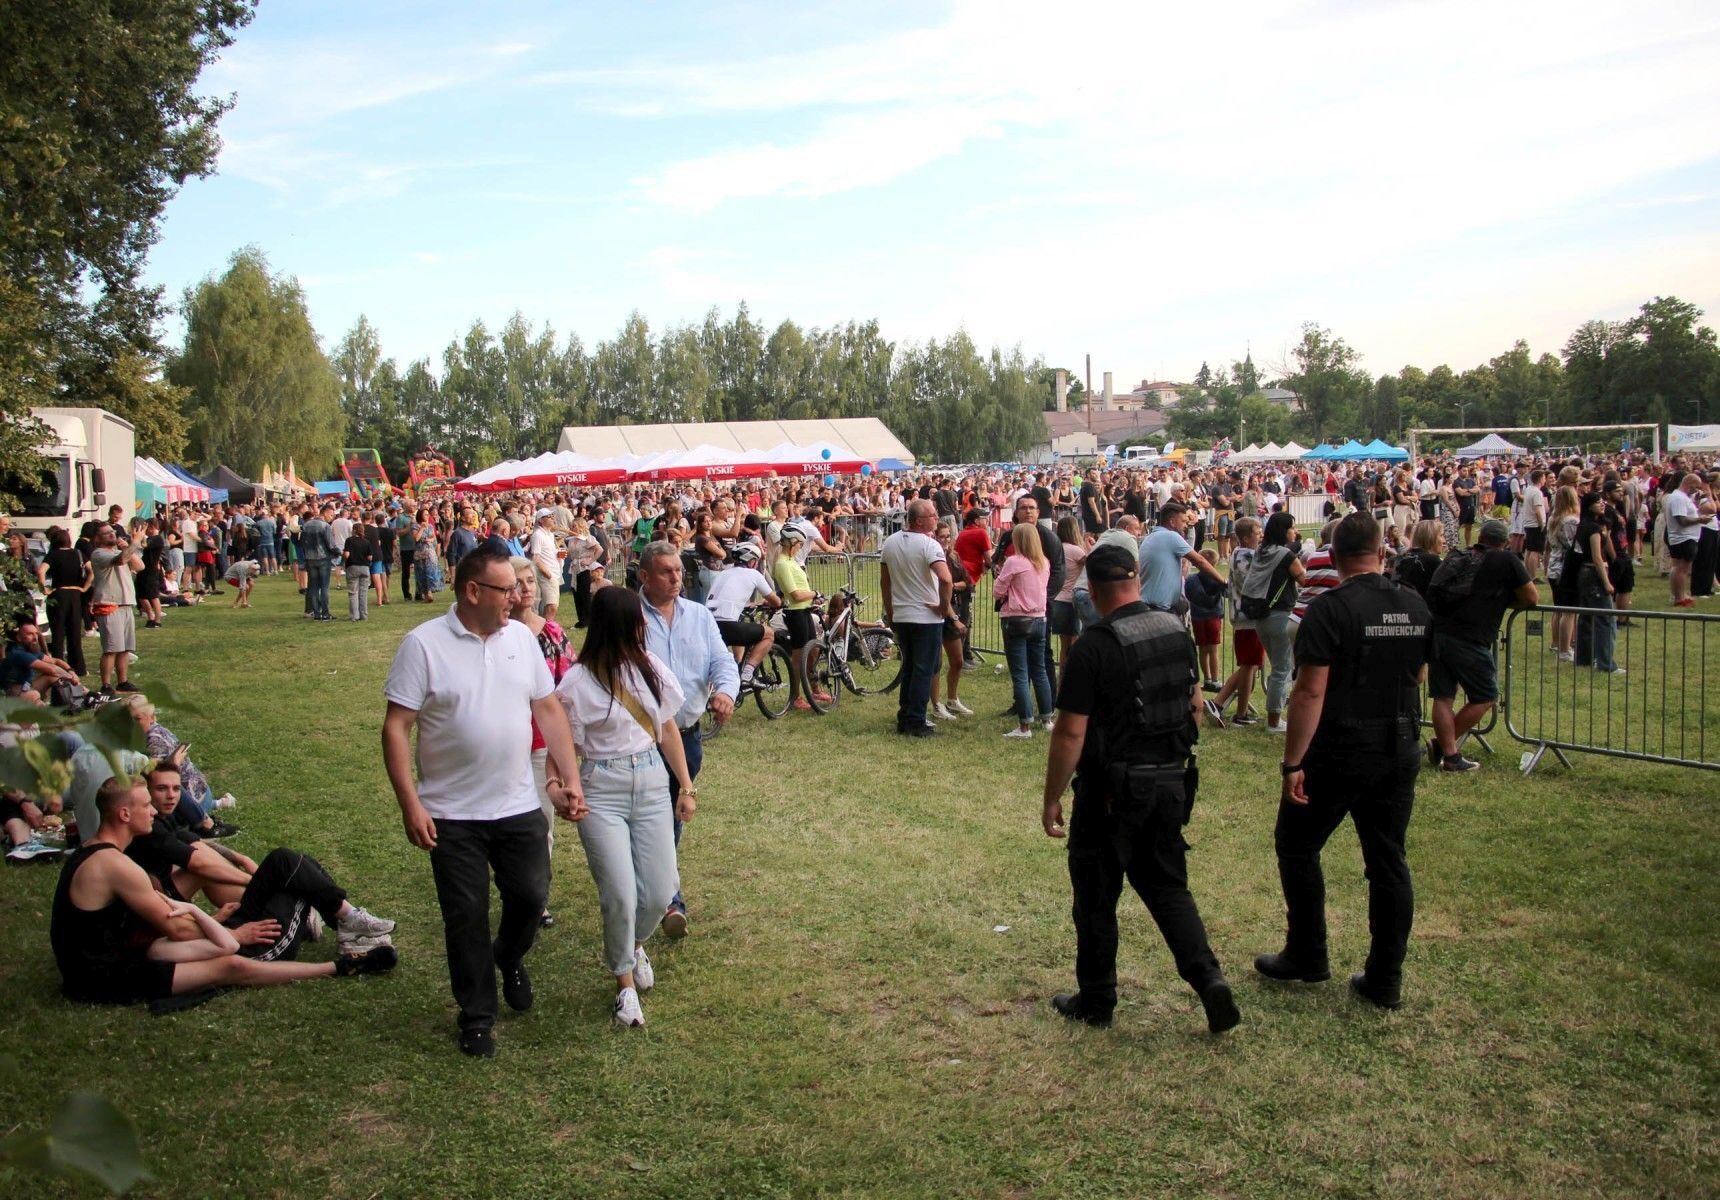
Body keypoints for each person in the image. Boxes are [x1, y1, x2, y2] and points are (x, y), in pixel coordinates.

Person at [382, 547, 584, 1059]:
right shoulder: (423, 645)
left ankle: (509, 955)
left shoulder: (521, 639)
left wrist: (569, 777)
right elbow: (397, 728)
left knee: (532, 896)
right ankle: (476, 1016)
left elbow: (548, 709)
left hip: (518, 803)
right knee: (465, 915)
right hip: (451, 813)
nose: (517, 597)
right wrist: (411, 804)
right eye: (506, 590)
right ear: (473, 591)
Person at [1040, 544, 1240, 1035]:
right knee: (1169, 888)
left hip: (1110, 791)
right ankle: (1208, 978)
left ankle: (1097, 999)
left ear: (1093, 591)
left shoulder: (1093, 646)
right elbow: (1194, 704)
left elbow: (1070, 733)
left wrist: (1052, 797)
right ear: (1136, 582)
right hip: (1169, 781)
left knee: (1095, 896)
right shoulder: (1175, 629)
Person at [1257, 511, 1429, 1010]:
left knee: (1297, 845)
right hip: (1399, 743)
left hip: (1340, 746)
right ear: (1382, 550)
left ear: (1333, 556)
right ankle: (1385, 978)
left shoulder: (1330, 609)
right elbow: (1420, 674)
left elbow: (1310, 690)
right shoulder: (1414, 603)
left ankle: (1307, 952)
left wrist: (1293, 763)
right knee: (1388, 860)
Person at [51, 776, 396, 1008]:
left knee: (284, 862)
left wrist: (216, 917)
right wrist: (233, 933)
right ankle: (340, 964)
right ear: (124, 814)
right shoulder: (114, 864)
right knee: (231, 963)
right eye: (147, 805)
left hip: (154, 948)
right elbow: (175, 927)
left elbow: (167, 909)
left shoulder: (98, 851)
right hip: (105, 978)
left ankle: (345, 919)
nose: (155, 810)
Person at [549, 586, 698, 1028]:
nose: (644, 625)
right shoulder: (576, 683)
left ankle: (633, 945)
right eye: (637, 618)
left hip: (651, 782)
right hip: (602, 789)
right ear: (621, 624)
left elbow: (667, 730)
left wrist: (686, 787)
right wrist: (558, 785)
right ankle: (624, 985)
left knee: (658, 892)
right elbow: (562, 747)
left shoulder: (649, 668)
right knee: (619, 893)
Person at [638, 541, 738, 938]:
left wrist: (726, 691)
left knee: (673, 818)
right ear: (644, 576)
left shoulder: (698, 615)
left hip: (687, 738)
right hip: (642, 743)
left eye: (678, 570)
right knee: (652, 822)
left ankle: (661, 893)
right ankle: (668, 899)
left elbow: (721, 661)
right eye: (666, 571)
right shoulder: (629, 617)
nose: (676, 578)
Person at [1427, 519, 1536, 773]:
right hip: (1470, 637)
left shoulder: (1458, 555)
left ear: (1480, 537)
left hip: (1440, 632)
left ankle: (1449, 754)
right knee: (1486, 696)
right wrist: (1505, 601)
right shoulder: (1506, 559)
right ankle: (1444, 748)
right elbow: (1531, 597)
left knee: (1443, 697)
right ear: (1505, 542)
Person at [509, 557, 577, 929]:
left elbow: (570, 687)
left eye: (530, 581)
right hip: (502, 744)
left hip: (539, 743)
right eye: (517, 582)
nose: (526, 588)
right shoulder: (493, 634)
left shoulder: (550, 633)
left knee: (540, 825)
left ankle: (536, 899)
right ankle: (514, 888)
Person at [881, 500, 959, 738]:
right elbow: (946, 579)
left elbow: (885, 582)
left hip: (902, 614)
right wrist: (943, 607)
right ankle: (916, 720)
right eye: (933, 515)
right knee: (924, 669)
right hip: (926, 617)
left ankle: (906, 715)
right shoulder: (929, 545)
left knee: (910, 667)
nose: (937, 518)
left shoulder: (890, 542)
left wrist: (891, 612)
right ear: (919, 521)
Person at [1248, 512, 1307, 735]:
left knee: (1277, 668)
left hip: (1261, 616)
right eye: (1292, 528)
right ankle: (1274, 720)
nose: (1295, 532)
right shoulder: (1286, 555)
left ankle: (1274, 715)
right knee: (1282, 669)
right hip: (1281, 614)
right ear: (1284, 531)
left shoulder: (1261, 552)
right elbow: (1304, 579)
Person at [994, 522, 1053, 738]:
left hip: (1016, 618)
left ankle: (1025, 725)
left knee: (1020, 673)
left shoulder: (1014, 561)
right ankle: (1047, 718)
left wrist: (1002, 580)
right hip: (1039, 618)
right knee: (1039, 670)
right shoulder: (1044, 562)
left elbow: (997, 591)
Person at [705, 540, 780, 687]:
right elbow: (775, 601)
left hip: (707, 624)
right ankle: (747, 674)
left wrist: (751, 604)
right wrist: (769, 602)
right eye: (756, 561)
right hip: (727, 625)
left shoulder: (723, 573)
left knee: (734, 644)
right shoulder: (753, 574)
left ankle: (734, 676)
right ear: (751, 561)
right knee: (769, 634)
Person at [929, 520, 973, 721]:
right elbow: (939, 591)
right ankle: (936, 704)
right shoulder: (933, 557)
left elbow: (967, 581)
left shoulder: (954, 556)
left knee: (957, 660)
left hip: (954, 609)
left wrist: (952, 586)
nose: (946, 540)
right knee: (936, 663)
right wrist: (955, 618)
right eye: (942, 536)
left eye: (948, 536)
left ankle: (952, 699)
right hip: (940, 613)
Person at [38, 526, 89, 676]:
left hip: (58, 593)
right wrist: (85, 587)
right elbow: (91, 570)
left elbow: (41, 571)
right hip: (75, 594)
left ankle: (59, 665)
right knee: (74, 632)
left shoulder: (53, 555)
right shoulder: (78, 553)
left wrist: (44, 589)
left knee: (58, 632)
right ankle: (79, 667)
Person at [1664, 473, 1713, 607]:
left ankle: (1680, 594)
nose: (1696, 490)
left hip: (1685, 537)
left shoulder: (1682, 497)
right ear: (1689, 483)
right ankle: (1679, 597)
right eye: (1696, 487)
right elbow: (1682, 520)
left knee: (1680, 568)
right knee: (1681, 568)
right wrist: (1700, 520)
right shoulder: (1678, 498)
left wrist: (1696, 503)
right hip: (1683, 538)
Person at [300, 504, 339, 621]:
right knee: (324, 587)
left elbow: (302, 542)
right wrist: (337, 552)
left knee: (313, 587)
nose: (331, 517)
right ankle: (325, 613)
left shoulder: (306, 525)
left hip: (310, 558)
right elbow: (331, 544)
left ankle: (316, 613)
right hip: (323, 558)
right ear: (325, 512)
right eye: (331, 515)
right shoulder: (325, 526)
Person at [343, 516, 374, 621]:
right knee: (363, 593)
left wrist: (343, 559)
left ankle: (354, 615)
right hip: (365, 568)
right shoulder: (366, 542)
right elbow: (370, 557)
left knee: (353, 593)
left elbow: (346, 554)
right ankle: (364, 615)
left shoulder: (349, 540)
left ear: (354, 530)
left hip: (352, 567)